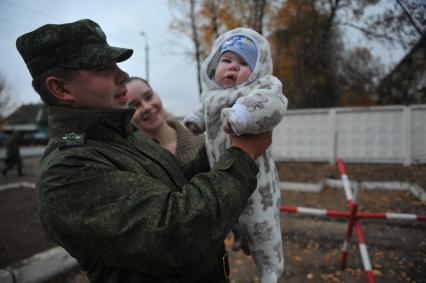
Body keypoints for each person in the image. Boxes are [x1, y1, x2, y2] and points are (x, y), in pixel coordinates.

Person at [16, 19, 273, 283]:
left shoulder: (120, 137)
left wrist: (222, 145)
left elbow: (176, 184)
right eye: (103, 67)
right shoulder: (66, 172)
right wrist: (241, 156)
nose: (122, 75)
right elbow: (176, 235)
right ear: (60, 88)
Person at [183, 27, 288, 283]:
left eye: (243, 63)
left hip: (256, 185)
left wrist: (241, 116)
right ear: (214, 65)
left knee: (262, 227)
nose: (232, 68)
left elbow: (272, 105)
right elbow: (204, 110)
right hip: (223, 177)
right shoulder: (212, 95)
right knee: (229, 215)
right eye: (226, 61)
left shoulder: (261, 87)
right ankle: (241, 236)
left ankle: (271, 269)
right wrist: (195, 121)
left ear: (258, 69)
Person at [125, 77, 204, 162]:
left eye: (148, 97)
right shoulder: (132, 162)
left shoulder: (206, 144)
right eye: (135, 105)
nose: (147, 107)